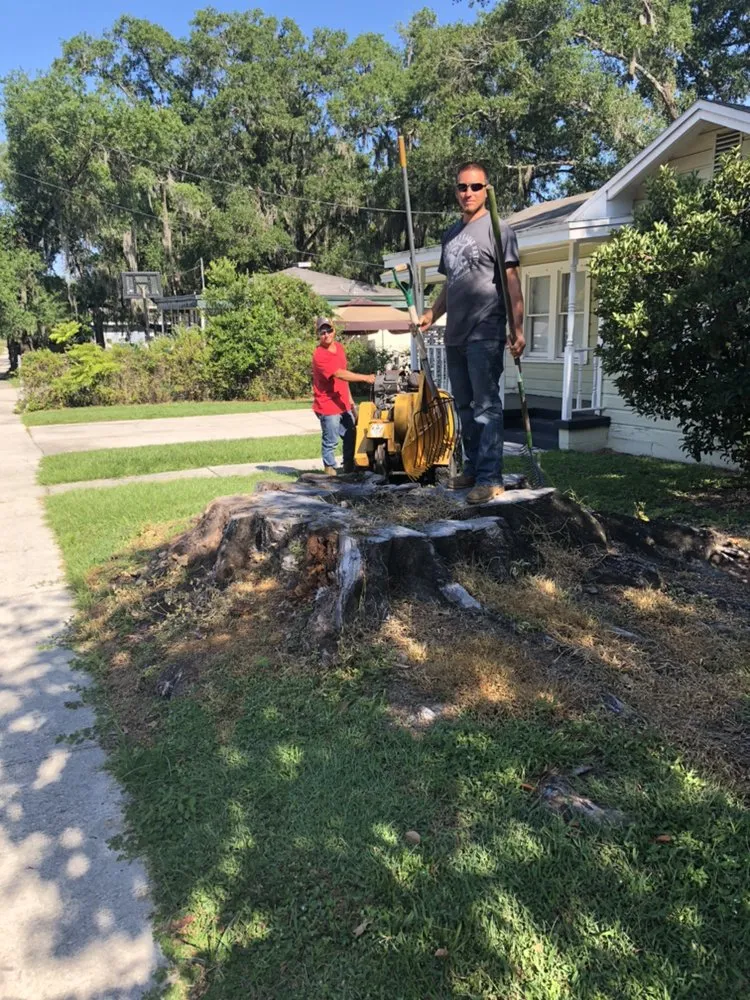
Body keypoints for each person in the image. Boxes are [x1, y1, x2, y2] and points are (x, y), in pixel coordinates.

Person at [419, 162, 525, 504]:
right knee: (464, 407)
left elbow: (511, 281)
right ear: (456, 191)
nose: (468, 193)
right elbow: (452, 284)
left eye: (475, 187)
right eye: (463, 187)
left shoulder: (498, 229)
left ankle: (491, 477)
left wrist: (518, 328)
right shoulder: (450, 235)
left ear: (486, 189)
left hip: (486, 329)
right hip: (455, 335)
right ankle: (472, 468)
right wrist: (431, 314)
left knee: (486, 406)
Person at [311, 316, 376, 475]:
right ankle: (330, 472)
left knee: (351, 435)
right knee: (331, 441)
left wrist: (351, 403)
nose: (326, 335)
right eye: (322, 332)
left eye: (329, 330)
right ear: (318, 335)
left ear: (334, 331)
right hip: (327, 406)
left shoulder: (339, 348)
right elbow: (340, 374)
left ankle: (349, 469)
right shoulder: (319, 355)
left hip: (343, 403)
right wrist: (365, 377)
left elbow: (344, 381)